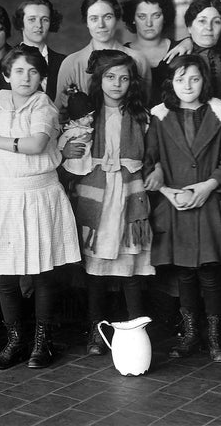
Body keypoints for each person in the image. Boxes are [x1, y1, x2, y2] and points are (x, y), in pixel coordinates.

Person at [0, 47, 80, 369]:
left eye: (33, 72)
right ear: (6, 75)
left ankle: (41, 342)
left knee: (42, 272)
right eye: (18, 71)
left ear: (42, 77)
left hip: (40, 194)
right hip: (5, 195)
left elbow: (35, 145)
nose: (26, 78)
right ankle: (15, 341)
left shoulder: (43, 105)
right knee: (5, 275)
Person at [144, 55, 221, 362]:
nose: (187, 85)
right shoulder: (159, 117)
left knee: (210, 273)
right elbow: (150, 159)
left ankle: (214, 337)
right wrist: (166, 191)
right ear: (170, 83)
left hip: (209, 202)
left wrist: (207, 186)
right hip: (175, 203)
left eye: (194, 79)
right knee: (185, 272)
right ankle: (190, 335)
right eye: (180, 79)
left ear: (205, 80)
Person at [71, 50, 152, 355]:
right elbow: (73, 159)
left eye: (124, 77)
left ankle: (136, 330)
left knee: (128, 266)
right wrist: (75, 151)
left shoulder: (142, 117)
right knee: (97, 268)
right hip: (98, 197)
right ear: (99, 80)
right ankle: (96, 329)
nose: (117, 83)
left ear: (132, 82)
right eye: (110, 76)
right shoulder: (87, 117)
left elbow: (151, 157)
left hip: (129, 194)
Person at [55, 0, 151, 109]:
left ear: (116, 18)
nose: (101, 25)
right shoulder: (71, 63)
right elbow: (58, 113)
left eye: (107, 17)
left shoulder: (138, 60)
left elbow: (146, 107)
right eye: (94, 19)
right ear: (87, 23)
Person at [121, 0, 179, 105]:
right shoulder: (122, 54)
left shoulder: (180, 50)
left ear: (165, 17)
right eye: (142, 17)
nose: (149, 23)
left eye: (156, 16)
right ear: (133, 19)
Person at [13, 0, 65, 101]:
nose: (39, 25)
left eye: (44, 20)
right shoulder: (8, 60)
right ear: (21, 23)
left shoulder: (64, 62)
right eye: (32, 19)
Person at [183, 0, 221, 102]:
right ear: (189, 27)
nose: (209, 28)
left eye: (216, 22)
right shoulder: (178, 57)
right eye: (202, 21)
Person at [57, 84, 95, 176]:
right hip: (75, 157)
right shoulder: (72, 130)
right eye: (85, 117)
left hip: (86, 156)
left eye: (91, 115)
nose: (90, 119)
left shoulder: (89, 127)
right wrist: (61, 150)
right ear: (76, 118)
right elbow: (62, 142)